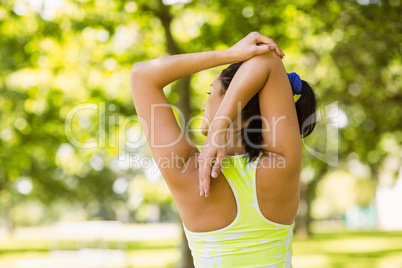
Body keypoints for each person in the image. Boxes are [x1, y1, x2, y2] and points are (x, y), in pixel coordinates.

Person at [130, 31, 318, 267]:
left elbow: (142, 75)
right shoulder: (281, 165)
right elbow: (268, 60)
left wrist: (228, 55)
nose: (203, 104)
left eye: (210, 93)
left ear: (236, 104)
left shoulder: (189, 171)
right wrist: (221, 125)